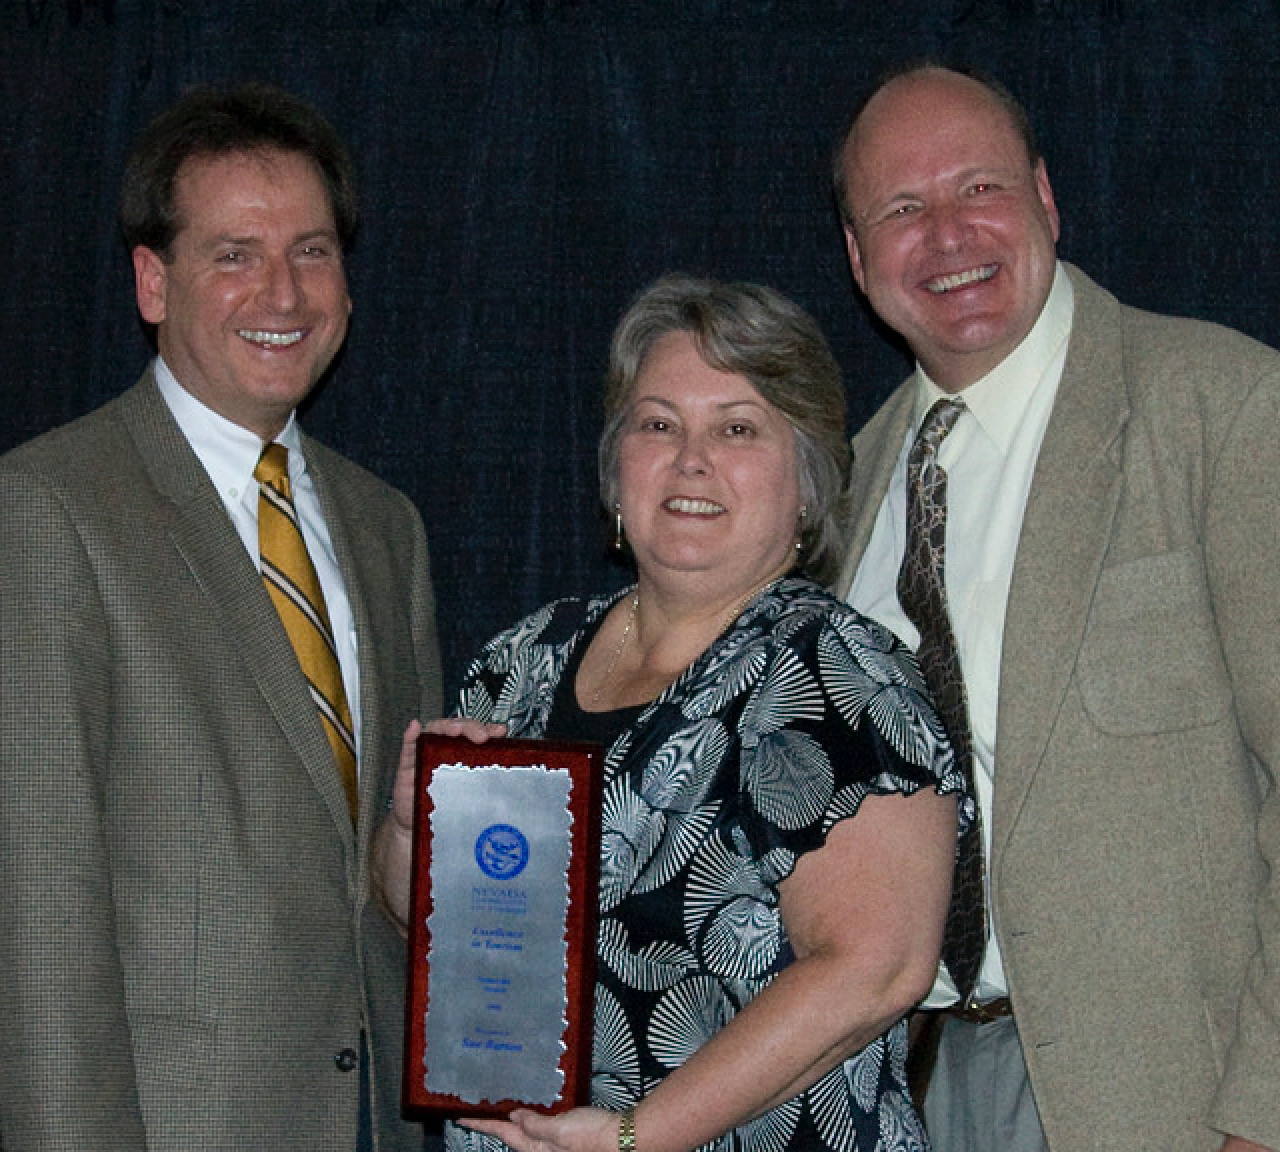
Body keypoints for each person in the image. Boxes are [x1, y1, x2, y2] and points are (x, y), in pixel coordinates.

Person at [373, 273, 967, 1152]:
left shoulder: (836, 670)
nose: (691, 459)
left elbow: (877, 970)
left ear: (806, 486)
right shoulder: (520, 663)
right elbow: (431, 933)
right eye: (659, 424)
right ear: (618, 469)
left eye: (737, 428)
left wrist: (631, 1137)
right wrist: (408, 825)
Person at [833, 63, 1280, 1152]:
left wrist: (1260, 1117)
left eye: (976, 188)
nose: (944, 234)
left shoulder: (1221, 407)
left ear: (1043, 197)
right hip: (908, 1093)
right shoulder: (842, 488)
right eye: (900, 208)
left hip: (1169, 1105)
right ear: (855, 258)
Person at [0, 83, 442, 1152]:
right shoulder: (48, 507)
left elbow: (393, 879)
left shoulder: (387, 528)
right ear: (153, 281)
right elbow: (40, 910)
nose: (282, 290)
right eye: (233, 253)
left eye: (313, 249)